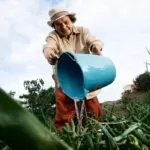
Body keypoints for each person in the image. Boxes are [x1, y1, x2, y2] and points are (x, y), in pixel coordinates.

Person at [43, 7, 104, 131]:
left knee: (92, 106)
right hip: (65, 77)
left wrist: (96, 48)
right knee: (64, 108)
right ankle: (64, 135)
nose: (64, 26)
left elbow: (94, 41)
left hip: (85, 73)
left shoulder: (83, 31)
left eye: (66, 22)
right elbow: (48, 47)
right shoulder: (53, 36)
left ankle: (94, 131)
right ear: (54, 27)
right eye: (58, 25)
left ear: (71, 20)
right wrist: (49, 54)